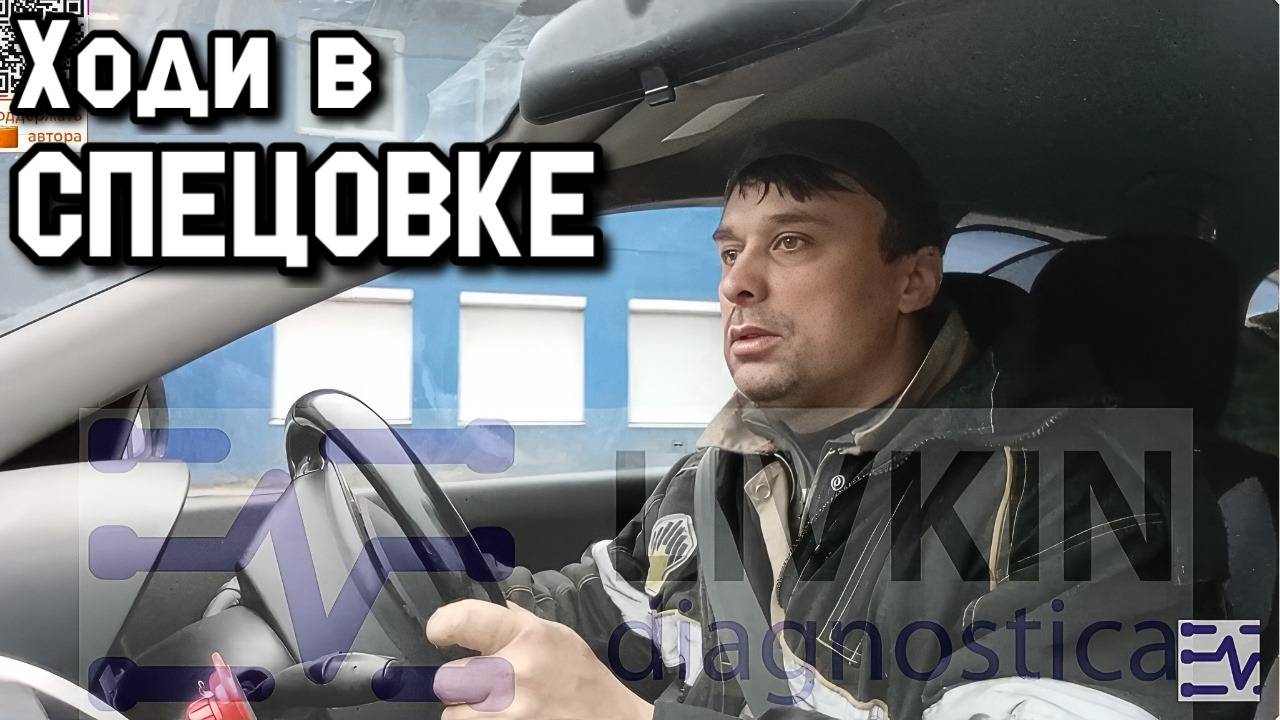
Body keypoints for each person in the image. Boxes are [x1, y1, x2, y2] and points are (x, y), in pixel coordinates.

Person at [424, 120, 1219, 719]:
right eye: (730, 252)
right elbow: (601, 610)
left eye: (792, 242)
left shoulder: (1092, 504)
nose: (737, 283)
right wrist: (414, 586)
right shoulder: (724, 468)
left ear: (913, 280)